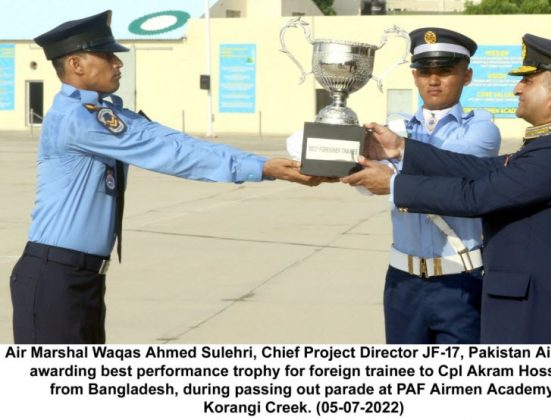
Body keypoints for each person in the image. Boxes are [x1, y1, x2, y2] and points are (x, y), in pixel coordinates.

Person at [10, 10, 325, 344]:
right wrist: (261, 168)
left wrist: (261, 163)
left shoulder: (100, 112)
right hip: (55, 278)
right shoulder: (79, 119)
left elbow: (172, 141)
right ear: (76, 64)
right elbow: (171, 155)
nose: (118, 63)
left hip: (79, 278)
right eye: (106, 55)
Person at [343, 33, 551, 344]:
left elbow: (475, 195)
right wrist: (401, 149)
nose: (517, 88)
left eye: (528, 82)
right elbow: (483, 169)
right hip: (529, 306)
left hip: (545, 314)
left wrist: (394, 184)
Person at [375, 28, 501, 344]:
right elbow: (367, 181)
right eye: (424, 72)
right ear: (415, 77)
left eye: (445, 71)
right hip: (402, 283)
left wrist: (395, 160)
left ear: (467, 75)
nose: (433, 81)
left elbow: (450, 168)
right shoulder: (395, 127)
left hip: (460, 280)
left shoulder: (482, 128)